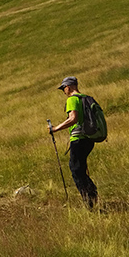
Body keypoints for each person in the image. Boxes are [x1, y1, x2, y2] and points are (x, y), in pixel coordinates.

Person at [48, 76, 98, 208]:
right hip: (89, 138)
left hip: (78, 139)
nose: (63, 92)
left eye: (63, 89)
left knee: (75, 169)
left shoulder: (72, 99)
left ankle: (89, 200)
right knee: (81, 168)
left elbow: (73, 118)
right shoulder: (85, 98)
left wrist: (55, 129)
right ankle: (92, 196)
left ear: (68, 87)